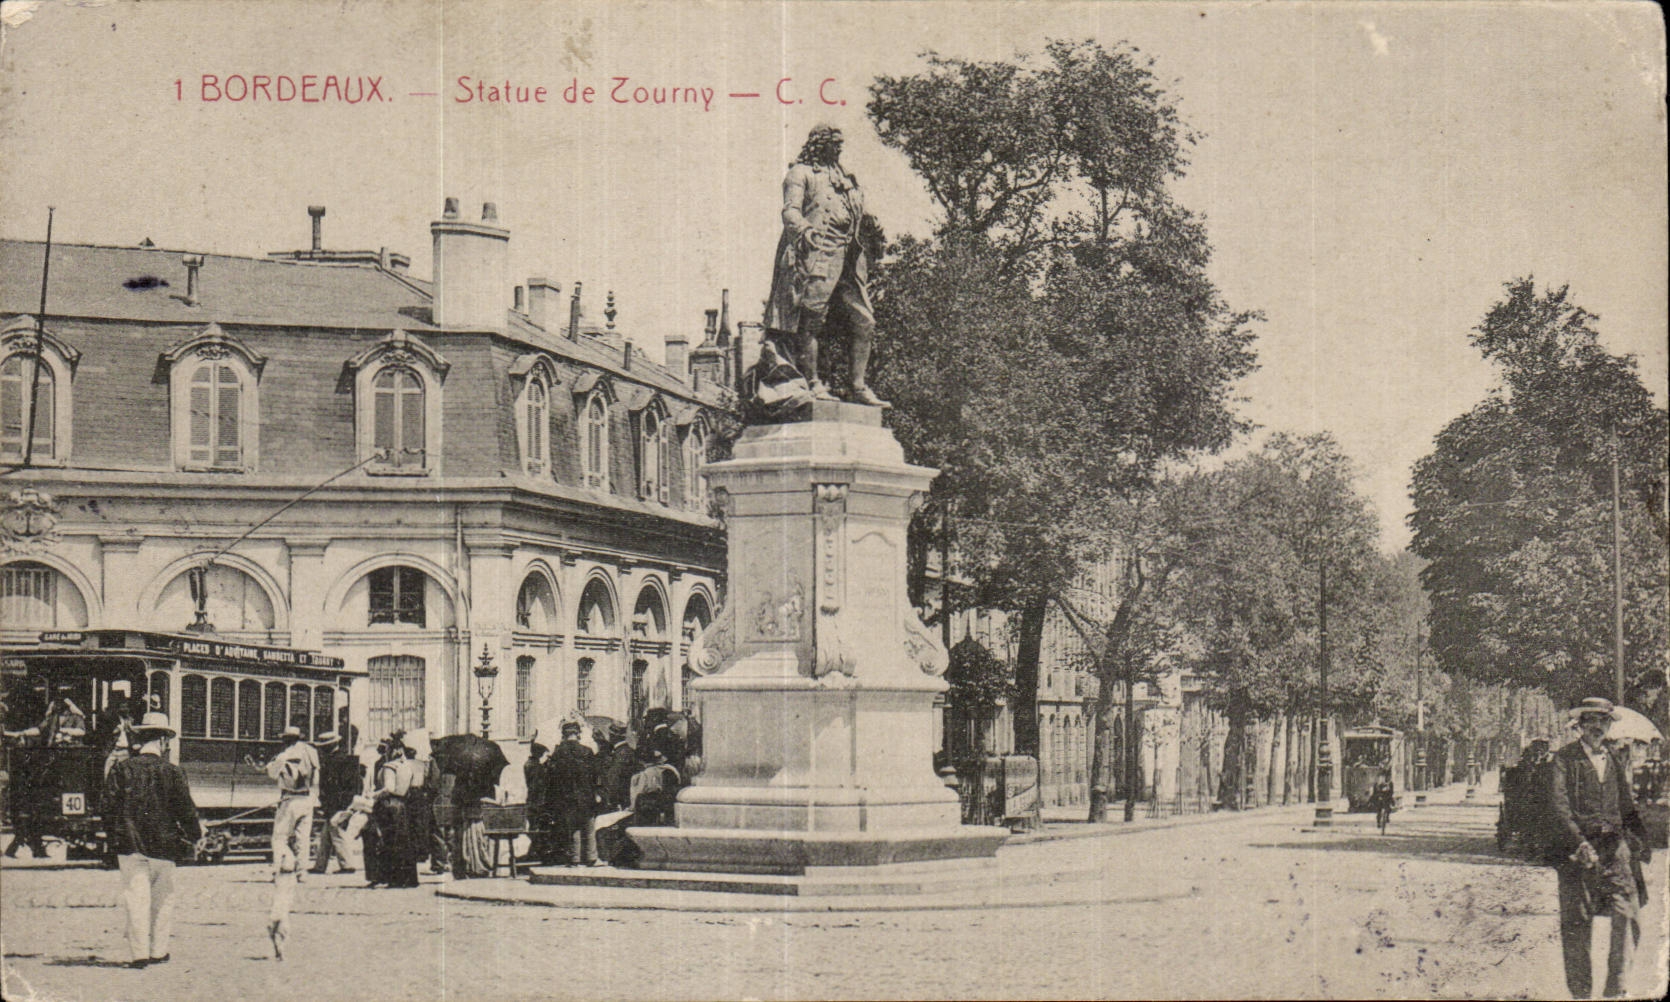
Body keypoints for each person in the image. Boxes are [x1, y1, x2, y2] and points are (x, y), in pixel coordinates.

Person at [764, 123, 887, 406]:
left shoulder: (844, 177)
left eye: (841, 144)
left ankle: (858, 386)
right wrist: (804, 228)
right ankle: (812, 383)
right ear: (820, 144)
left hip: (848, 257)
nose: (839, 149)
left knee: (864, 320)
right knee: (811, 318)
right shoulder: (800, 174)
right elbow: (790, 210)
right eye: (834, 144)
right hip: (816, 253)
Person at [1550, 697, 1651, 998]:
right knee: (1577, 923)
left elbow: (1626, 806)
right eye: (1590, 721)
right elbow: (1558, 806)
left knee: (1628, 911)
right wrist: (1577, 842)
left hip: (1614, 848)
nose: (1597, 727)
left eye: (1603, 721)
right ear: (1579, 726)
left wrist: (1640, 841)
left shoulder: (1614, 759)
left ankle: (1615, 989)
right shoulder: (1564, 760)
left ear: (1609, 726)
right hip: (1578, 850)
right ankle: (1581, 994)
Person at [101, 710, 200, 969]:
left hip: (130, 845)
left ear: (141, 738)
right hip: (164, 846)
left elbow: (108, 807)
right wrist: (195, 835)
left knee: (136, 899)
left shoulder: (122, 769)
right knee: (163, 899)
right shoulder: (174, 772)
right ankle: (159, 950)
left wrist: (113, 838)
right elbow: (186, 811)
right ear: (164, 742)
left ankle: (138, 955)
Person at [545, 721, 601, 866]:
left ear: (564, 735)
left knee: (572, 828)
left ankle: (574, 858)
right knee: (589, 826)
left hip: (567, 797)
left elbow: (552, 779)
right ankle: (591, 857)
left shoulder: (558, 753)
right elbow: (596, 775)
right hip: (586, 796)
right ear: (578, 734)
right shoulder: (587, 751)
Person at [371, 732, 420, 888]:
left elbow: (388, 788)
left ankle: (393, 878)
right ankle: (408, 878)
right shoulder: (407, 767)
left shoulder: (389, 767)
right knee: (404, 842)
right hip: (403, 804)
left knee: (389, 841)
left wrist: (373, 795)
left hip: (389, 804)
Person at [310, 730, 361, 876]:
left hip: (337, 803)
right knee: (326, 835)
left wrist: (339, 805)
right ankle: (320, 865)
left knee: (337, 832)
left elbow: (338, 786)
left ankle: (347, 864)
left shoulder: (337, 760)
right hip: (334, 803)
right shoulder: (341, 758)